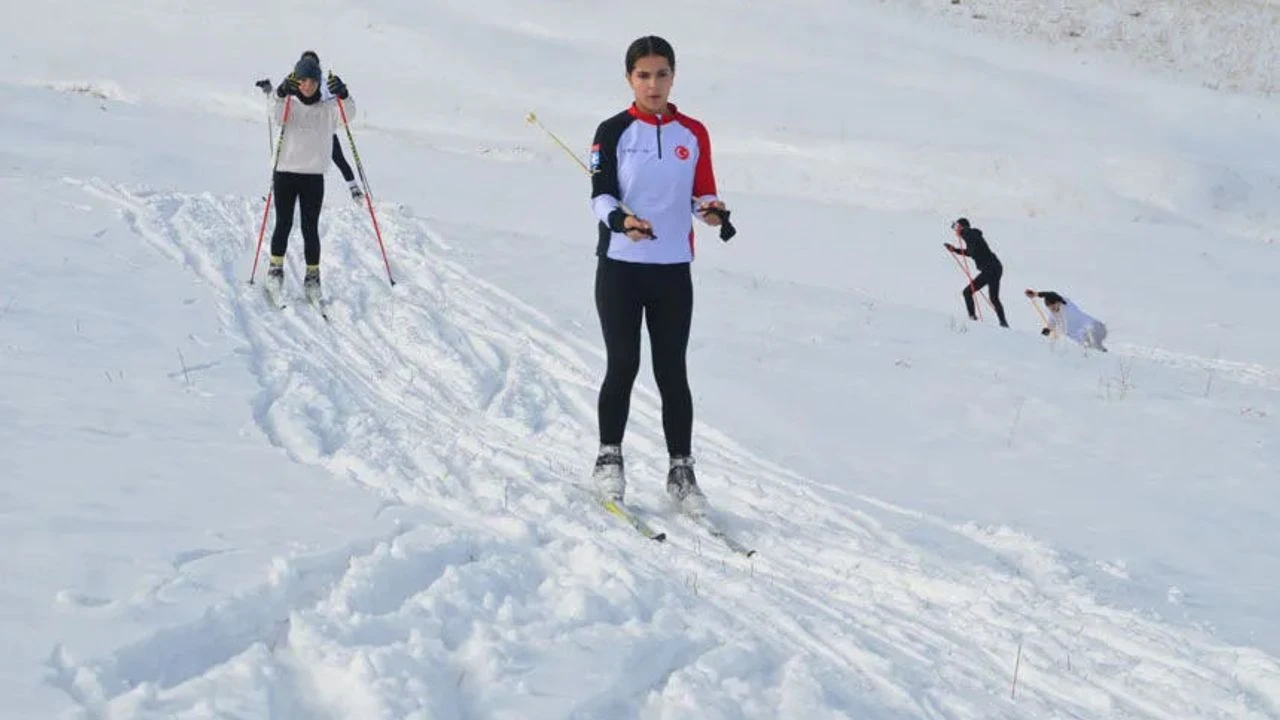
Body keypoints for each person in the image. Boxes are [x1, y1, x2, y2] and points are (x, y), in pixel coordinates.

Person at [588, 35, 731, 513]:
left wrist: (710, 212)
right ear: (629, 78)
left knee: (673, 371)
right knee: (623, 363)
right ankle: (610, 461)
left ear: (674, 76)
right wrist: (621, 222)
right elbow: (601, 196)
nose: (653, 84)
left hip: (671, 269)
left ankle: (682, 472)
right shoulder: (612, 131)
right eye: (643, 75)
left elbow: (701, 195)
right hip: (621, 269)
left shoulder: (693, 132)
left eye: (662, 74)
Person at [265, 54, 355, 300]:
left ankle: (313, 276)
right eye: (303, 81)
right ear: (297, 81)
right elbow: (273, 112)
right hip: (285, 173)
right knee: (283, 223)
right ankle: (275, 269)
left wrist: (345, 95)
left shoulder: (327, 110)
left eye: (313, 81)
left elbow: (348, 115)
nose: (308, 86)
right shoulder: (289, 106)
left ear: (318, 83)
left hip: (313, 176)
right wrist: (281, 92)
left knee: (310, 227)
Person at [255, 50, 364, 203]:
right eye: (306, 61)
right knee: (287, 156)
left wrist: (342, 94)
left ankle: (353, 187)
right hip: (297, 129)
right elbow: (279, 102)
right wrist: (271, 90)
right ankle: (275, 191)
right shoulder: (294, 80)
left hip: (323, 128)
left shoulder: (324, 82)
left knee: (338, 158)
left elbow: (336, 104)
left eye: (312, 62)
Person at [944, 217, 1009, 327]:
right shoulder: (971, 237)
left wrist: (963, 231)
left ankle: (975, 319)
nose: (955, 230)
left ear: (962, 227)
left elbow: (970, 237)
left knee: (973, 293)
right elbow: (970, 252)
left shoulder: (969, 233)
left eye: (956, 227)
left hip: (991, 268)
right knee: (988, 297)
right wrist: (955, 250)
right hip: (993, 268)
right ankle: (1001, 323)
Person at [1025, 289, 1109, 351]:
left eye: (1054, 307)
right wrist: (1042, 338)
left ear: (1058, 302)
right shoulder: (1053, 316)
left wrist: (1036, 294)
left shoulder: (1066, 304)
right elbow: (1049, 328)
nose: (1053, 310)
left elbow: (1051, 294)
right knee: (1092, 351)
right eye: (1050, 308)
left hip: (1094, 327)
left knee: (1093, 345)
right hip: (1084, 338)